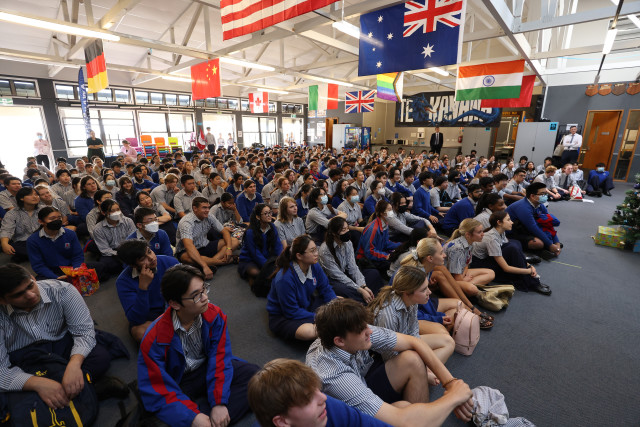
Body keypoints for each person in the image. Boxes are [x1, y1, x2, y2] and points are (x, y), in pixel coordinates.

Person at [306, 299, 474, 426]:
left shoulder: (351, 332)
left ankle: (426, 416)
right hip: (346, 414)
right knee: (404, 409)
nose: (369, 331)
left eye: (366, 325)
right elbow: (403, 421)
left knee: (412, 360)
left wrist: (450, 383)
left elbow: (415, 342)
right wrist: (454, 397)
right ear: (340, 341)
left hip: (360, 380)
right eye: (361, 330)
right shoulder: (334, 375)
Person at [138, 264, 259, 427]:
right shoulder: (154, 338)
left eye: (204, 289)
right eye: (196, 295)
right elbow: (158, 386)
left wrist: (219, 402)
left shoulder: (214, 315)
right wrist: (193, 417)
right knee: (164, 406)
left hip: (206, 367)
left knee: (258, 378)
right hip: (179, 380)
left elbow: (219, 358)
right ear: (175, 304)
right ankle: (204, 418)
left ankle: (208, 417)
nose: (205, 298)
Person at [0, 264, 116, 409]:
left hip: (59, 342)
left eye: (30, 286)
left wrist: (74, 365)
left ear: (33, 278)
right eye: (18, 294)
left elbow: (84, 332)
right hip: (22, 357)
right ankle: (85, 390)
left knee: (99, 358)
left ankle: (52, 398)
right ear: (2, 300)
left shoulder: (62, 290)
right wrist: (37, 383)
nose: (31, 295)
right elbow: (1, 370)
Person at [248, 358, 393, 427]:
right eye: (307, 398)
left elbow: (366, 423)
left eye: (316, 389)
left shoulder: (326, 407)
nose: (323, 397)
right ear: (282, 421)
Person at [370, 266, 455, 365]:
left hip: (408, 343)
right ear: (407, 293)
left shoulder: (412, 301)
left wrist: (419, 349)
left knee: (448, 341)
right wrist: (418, 353)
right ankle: (425, 371)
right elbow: (389, 356)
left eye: (427, 287)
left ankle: (427, 371)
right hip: (389, 359)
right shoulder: (387, 315)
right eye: (423, 290)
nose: (429, 292)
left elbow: (413, 332)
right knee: (416, 359)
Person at [266, 235, 337, 341]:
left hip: (306, 305)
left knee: (338, 301)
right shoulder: (284, 279)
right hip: (285, 316)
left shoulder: (314, 265)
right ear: (299, 256)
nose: (316, 253)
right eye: (312, 251)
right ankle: (333, 328)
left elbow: (325, 288)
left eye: (316, 249)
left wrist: (336, 307)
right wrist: (320, 317)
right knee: (309, 332)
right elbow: (291, 311)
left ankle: (332, 326)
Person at [471, 211, 551, 295]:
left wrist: (529, 265)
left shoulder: (500, 231)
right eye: (508, 220)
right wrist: (529, 271)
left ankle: (524, 266)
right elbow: (506, 268)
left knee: (515, 243)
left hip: (488, 257)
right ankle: (532, 283)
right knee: (512, 249)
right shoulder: (492, 239)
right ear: (499, 223)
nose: (512, 222)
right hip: (480, 264)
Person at [115, 240, 179, 342]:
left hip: (175, 306)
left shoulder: (169, 262)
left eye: (149, 251)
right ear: (133, 265)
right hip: (150, 315)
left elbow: (188, 286)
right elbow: (136, 319)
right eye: (142, 259)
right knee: (140, 333)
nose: (151, 258)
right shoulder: (123, 282)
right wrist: (143, 288)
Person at [26, 206, 106, 281]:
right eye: (52, 218)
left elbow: (77, 255)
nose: (57, 221)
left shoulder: (70, 233)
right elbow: (38, 265)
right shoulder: (33, 240)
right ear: (41, 221)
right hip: (51, 272)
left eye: (59, 218)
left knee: (101, 267)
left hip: (71, 268)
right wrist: (55, 277)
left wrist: (76, 269)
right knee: (39, 284)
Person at [319, 217, 384, 304]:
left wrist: (363, 286)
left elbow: (352, 266)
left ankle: (372, 300)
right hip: (333, 279)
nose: (347, 232)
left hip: (346, 273)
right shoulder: (325, 250)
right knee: (345, 290)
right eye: (343, 230)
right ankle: (365, 304)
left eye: (347, 228)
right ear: (334, 233)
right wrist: (359, 289)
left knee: (373, 273)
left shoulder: (348, 243)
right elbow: (337, 275)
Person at [175, 197, 239, 280]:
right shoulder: (186, 222)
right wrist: (204, 266)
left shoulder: (209, 216)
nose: (207, 210)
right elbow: (189, 246)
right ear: (195, 208)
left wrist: (229, 249)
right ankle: (225, 261)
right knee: (186, 258)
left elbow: (225, 232)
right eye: (204, 208)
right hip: (187, 251)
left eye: (208, 207)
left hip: (205, 245)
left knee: (234, 241)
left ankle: (211, 262)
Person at [506, 182, 562, 259]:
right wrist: (550, 244)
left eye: (545, 193)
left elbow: (548, 223)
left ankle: (545, 246)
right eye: (542, 194)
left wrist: (557, 242)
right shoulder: (523, 207)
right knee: (538, 243)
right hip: (514, 232)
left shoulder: (540, 204)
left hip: (526, 228)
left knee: (553, 235)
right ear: (532, 196)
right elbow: (533, 228)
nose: (545, 196)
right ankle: (536, 250)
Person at [238, 204, 283, 284]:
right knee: (257, 273)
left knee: (280, 270)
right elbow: (255, 254)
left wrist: (281, 261)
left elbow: (278, 246)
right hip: (250, 259)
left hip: (268, 257)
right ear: (258, 217)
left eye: (270, 212)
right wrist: (268, 267)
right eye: (266, 213)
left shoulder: (272, 227)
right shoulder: (250, 232)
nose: (269, 215)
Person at [444, 218, 495, 289]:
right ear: (468, 234)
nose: (483, 234)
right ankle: (465, 286)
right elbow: (456, 276)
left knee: (491, 273)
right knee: (472, 289)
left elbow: (466, 265)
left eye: (482, 231)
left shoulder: (470, 243)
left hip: (459, 273)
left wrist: (464, 276)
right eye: (479, 232)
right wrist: (463, 279)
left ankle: (466, 285)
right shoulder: (457, 248)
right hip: (448, 277)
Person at [356, 201, 401, 278]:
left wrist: (401, 245)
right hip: (366, 259)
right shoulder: (373, 229)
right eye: (389, 210)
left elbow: (386, 243)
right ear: (382, 213)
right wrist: (385, 256)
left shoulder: (385, 224)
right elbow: (369, 252)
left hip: (377, 254)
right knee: (394, 266)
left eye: (391, 209)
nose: (392, 212)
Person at [93, 199, 136, 274]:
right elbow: (105, 249)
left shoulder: (128, 221)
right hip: (113, 253)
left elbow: (133, 240)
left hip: (128, 249)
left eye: (118, 209)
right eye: (112, 211)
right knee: (106, 264)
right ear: (103, 213)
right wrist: (119, 254)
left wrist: (128, 252)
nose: (116, 213)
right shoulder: (98, 228)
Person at [0, 187, 41, 262]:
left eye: (36, 194)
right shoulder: (12, 213)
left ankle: (32, 254)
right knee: (14, 247)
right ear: (21, 198)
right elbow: (7, 229)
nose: (35, 197)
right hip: (24, 242)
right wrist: (4, 243)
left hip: (43, 239)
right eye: (30, 195)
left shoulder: (44, 209)